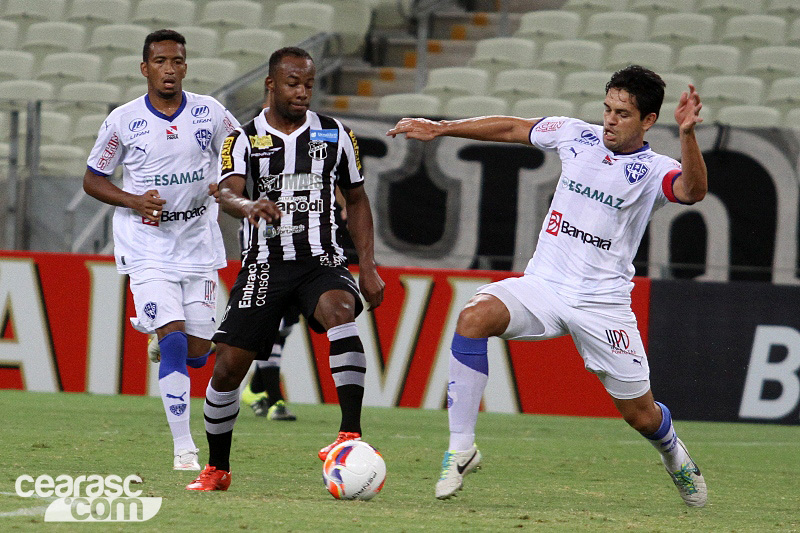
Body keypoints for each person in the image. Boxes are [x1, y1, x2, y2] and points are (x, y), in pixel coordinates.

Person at [387, 65, 709, 507]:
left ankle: (674, 455)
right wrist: (442, 128)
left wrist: (688, 135)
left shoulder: (656, 170)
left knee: (640, 415)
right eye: (607, 110)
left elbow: (692, 191)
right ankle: (461, 449)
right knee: (472, 317)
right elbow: (512, 127)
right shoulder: (575, 136)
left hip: (603, 304)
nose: (610, 120)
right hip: (545, 284)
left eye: (623, 114)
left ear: (649, 121)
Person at [186, 46, 385, 491]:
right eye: (293, 84)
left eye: (309, 85)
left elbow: (356, 200)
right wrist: (249, 205)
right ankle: (218, 468)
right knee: (227, 371)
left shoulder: (336, 135)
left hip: (321, 259)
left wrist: (368, 266)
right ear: (271, 85)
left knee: (340, 312)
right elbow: (228, 193)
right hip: (264, 263)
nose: (302, 93)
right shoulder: (243, 138)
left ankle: (349, 435)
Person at [83, 29, 239, 471]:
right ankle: (184, 449)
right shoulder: (122, 120)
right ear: (145, 68)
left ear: (186, 66)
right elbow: (93, 178)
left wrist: (226, 182)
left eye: (177, 61)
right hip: (147, 245)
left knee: (198, 351)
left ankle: (164, 336)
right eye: (161, 61)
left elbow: (241, 151)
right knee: (173, 343)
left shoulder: (211, 113)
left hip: (198, 242)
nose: (169, 69)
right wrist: (134, 200)